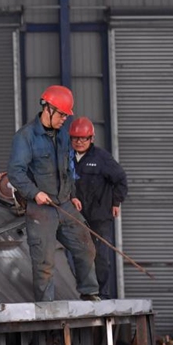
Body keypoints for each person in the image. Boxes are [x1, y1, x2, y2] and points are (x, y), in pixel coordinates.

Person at [6, 85, 100, 302]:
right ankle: (47, 309)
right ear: (48, 109)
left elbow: (68, 169)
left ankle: (89, 293)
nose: (64, 119)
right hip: (41, 208)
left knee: (85, 245)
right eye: (62, 114)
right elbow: (15, 172)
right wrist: (34, 193)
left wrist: (73, 194)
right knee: (44, 262)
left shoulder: (63, 137)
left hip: (64, 204)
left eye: (67, 115)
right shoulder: (25, 137)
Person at [69, 116, 128, 299]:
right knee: (76, 254)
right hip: (75, 216)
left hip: (100, 216)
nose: (79, 142)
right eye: (75, 138)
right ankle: (86, 292)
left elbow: (121, 179)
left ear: (91, 139)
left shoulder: (102, 158)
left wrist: (116, 202)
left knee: (101, 256)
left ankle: (102, 294)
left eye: (83, 138)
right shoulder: (65, 158)